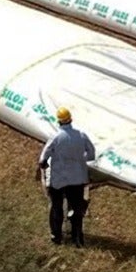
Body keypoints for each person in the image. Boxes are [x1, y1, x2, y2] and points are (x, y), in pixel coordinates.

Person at [37, 106, 95, 247]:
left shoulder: (56, 137)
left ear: (59, 121)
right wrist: (79, 160)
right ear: (71, 119)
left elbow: (43, 158)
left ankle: (56, 236)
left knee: (56, 207)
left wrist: (45, 165)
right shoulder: (81, 135)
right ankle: (77, 238)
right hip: (78, 178)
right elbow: (92, 154)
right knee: (76, 208)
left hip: (59, 178)